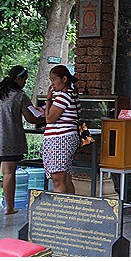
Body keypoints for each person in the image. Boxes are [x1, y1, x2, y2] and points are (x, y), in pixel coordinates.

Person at [0, 65, 44, 215]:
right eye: (25, 80)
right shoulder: (20, 96)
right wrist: (44, 115)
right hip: (10, 138)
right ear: (19, 78)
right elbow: (31, 118)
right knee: (8, 173)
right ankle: (9, 208)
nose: (25, 83)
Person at [42, 65, 80, 194]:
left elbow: (49, 119)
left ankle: (60, 210)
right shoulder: (72, 95)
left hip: (59, 140)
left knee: (58, 179)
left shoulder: (63, 97)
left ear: (64, 79)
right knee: (65, 178)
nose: (52, 84)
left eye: (54, 79)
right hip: (66, 138)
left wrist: (48, 100)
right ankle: (70, 208)